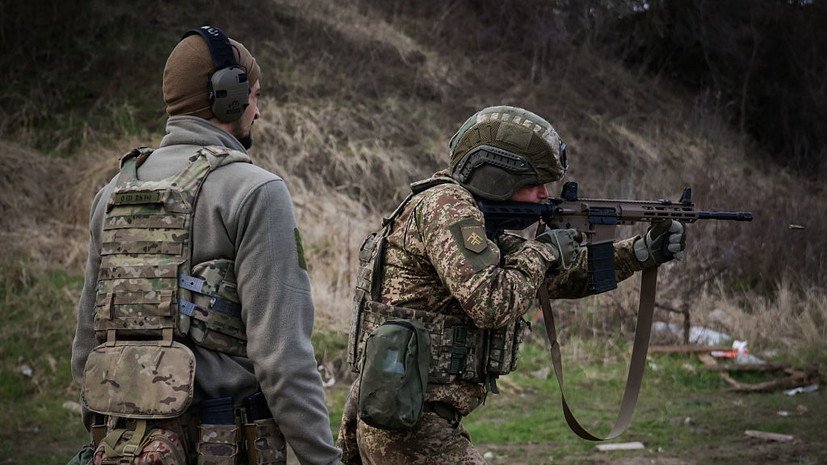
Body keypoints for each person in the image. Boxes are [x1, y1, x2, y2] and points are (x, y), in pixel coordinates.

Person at [336, 105, 686, 464]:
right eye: (534, 184)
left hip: (405, 411)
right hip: (412, 425)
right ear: (496, 177)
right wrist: (543, 252)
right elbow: (491, 302)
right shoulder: (448, 207)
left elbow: (554, 276)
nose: (545, 194)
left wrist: (641, 252)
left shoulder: (475, 217)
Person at [70, 26, 341, 465]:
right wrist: (324, 460)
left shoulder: (113, 193)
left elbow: (86, 350)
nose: (258, 108)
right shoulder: (256, 192)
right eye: (253, 93)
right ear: (226, 96)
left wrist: (107, 440)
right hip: (224, 448)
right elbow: (284, 362)